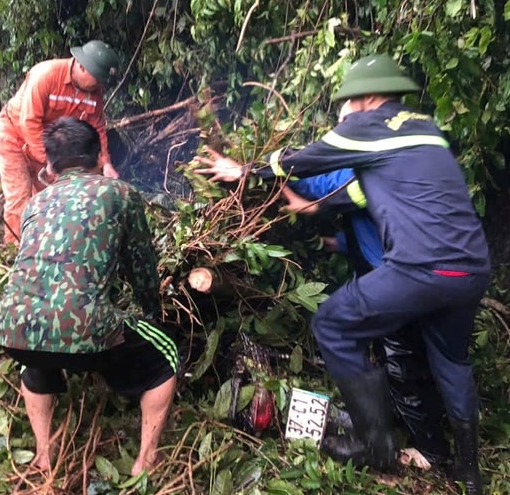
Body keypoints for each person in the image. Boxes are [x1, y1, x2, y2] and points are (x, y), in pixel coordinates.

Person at [195, 54, 489, 494]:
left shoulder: (369, 125)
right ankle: (468, 472)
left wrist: (245, 171)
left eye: (347, 105)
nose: (343, 115)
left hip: (420, 268)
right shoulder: (426, 132)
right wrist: (308, 209)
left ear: (366, 98)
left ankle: (375, 444)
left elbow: (304, 160)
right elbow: (354, 192)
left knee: (332, 323)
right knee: (452, 362)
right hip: (470, 269)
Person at [0, 117, 177, 477]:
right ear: (98, 159)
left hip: (13, 327)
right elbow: (141, 266)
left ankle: (44, 456)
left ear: (49, 166)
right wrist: (153, 313)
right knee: (165, 357)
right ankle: (146, 460)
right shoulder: (121, 194)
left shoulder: (34, 204)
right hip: (83, 327)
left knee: (36, 355)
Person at [282, 170, 451, 470]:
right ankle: (395, 419)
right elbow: (373, 220)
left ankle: (425, 448)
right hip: (414, 274)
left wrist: (261, 167)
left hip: (395, 280)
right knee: (401, 354)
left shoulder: (353, 169)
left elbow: (314, 182)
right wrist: (338, 243)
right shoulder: (390, 163)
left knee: (401, 359)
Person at [0, 40, 122, 245]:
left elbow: (96, 128)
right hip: (14, 135)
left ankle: (46, 245)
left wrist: (105, 163)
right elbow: (29, 121)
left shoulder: (94, 94)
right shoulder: (45, 75)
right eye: (97, 78)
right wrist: (49, 160)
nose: (99, 85)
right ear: (81, 66)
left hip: (49, 142)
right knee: (20, 196)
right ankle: (14, 252)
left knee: (53, 196)